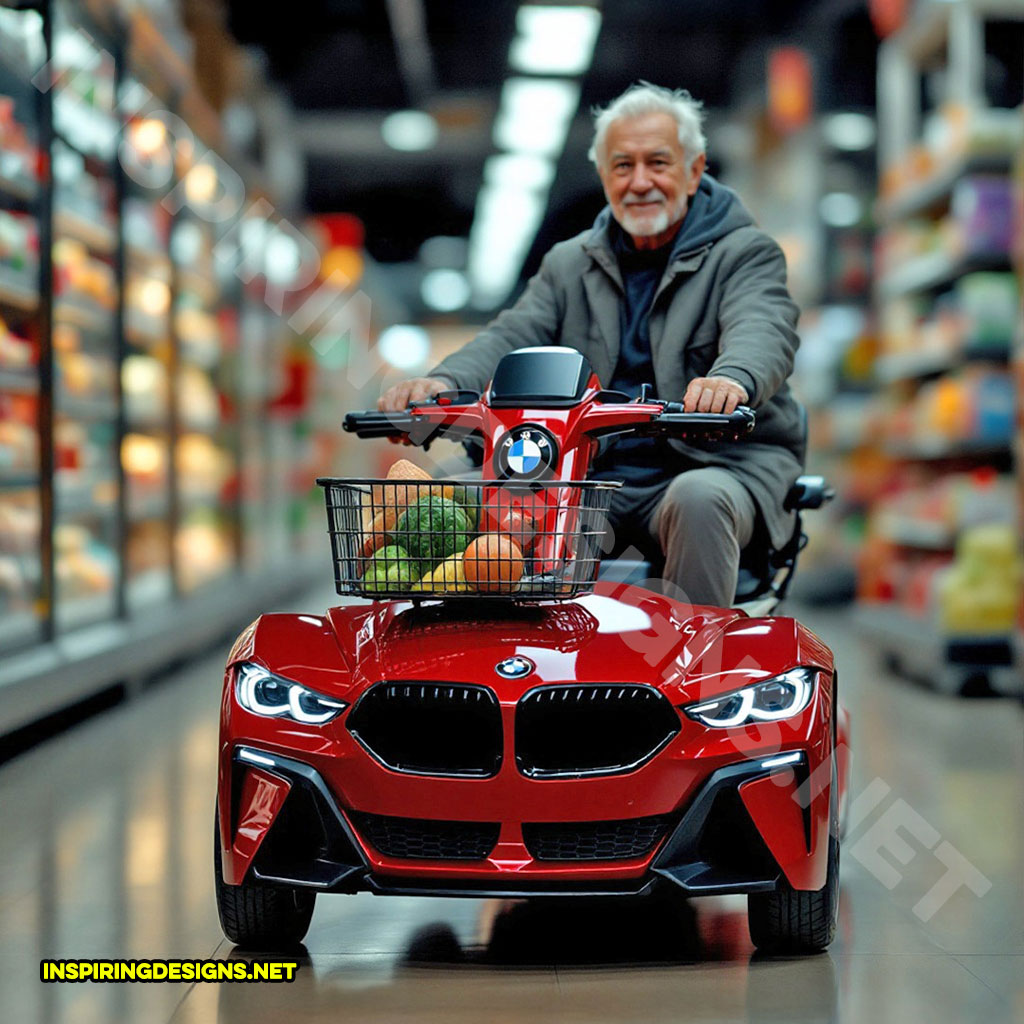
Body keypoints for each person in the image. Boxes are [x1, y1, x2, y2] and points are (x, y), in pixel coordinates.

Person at [378, 82, 804, 608]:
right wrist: (441, 383)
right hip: (581, 474)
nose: (640, 181)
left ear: (694, 172)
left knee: (701, 500)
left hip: (704, 466)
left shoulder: (745, 254)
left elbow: (763, 325)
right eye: (623, 166)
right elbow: (512, 334)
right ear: (604, 177)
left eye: (659, 163)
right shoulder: (569, 263)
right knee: (454, 497)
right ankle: (517, 674)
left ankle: (698, 672)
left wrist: (732, 379)